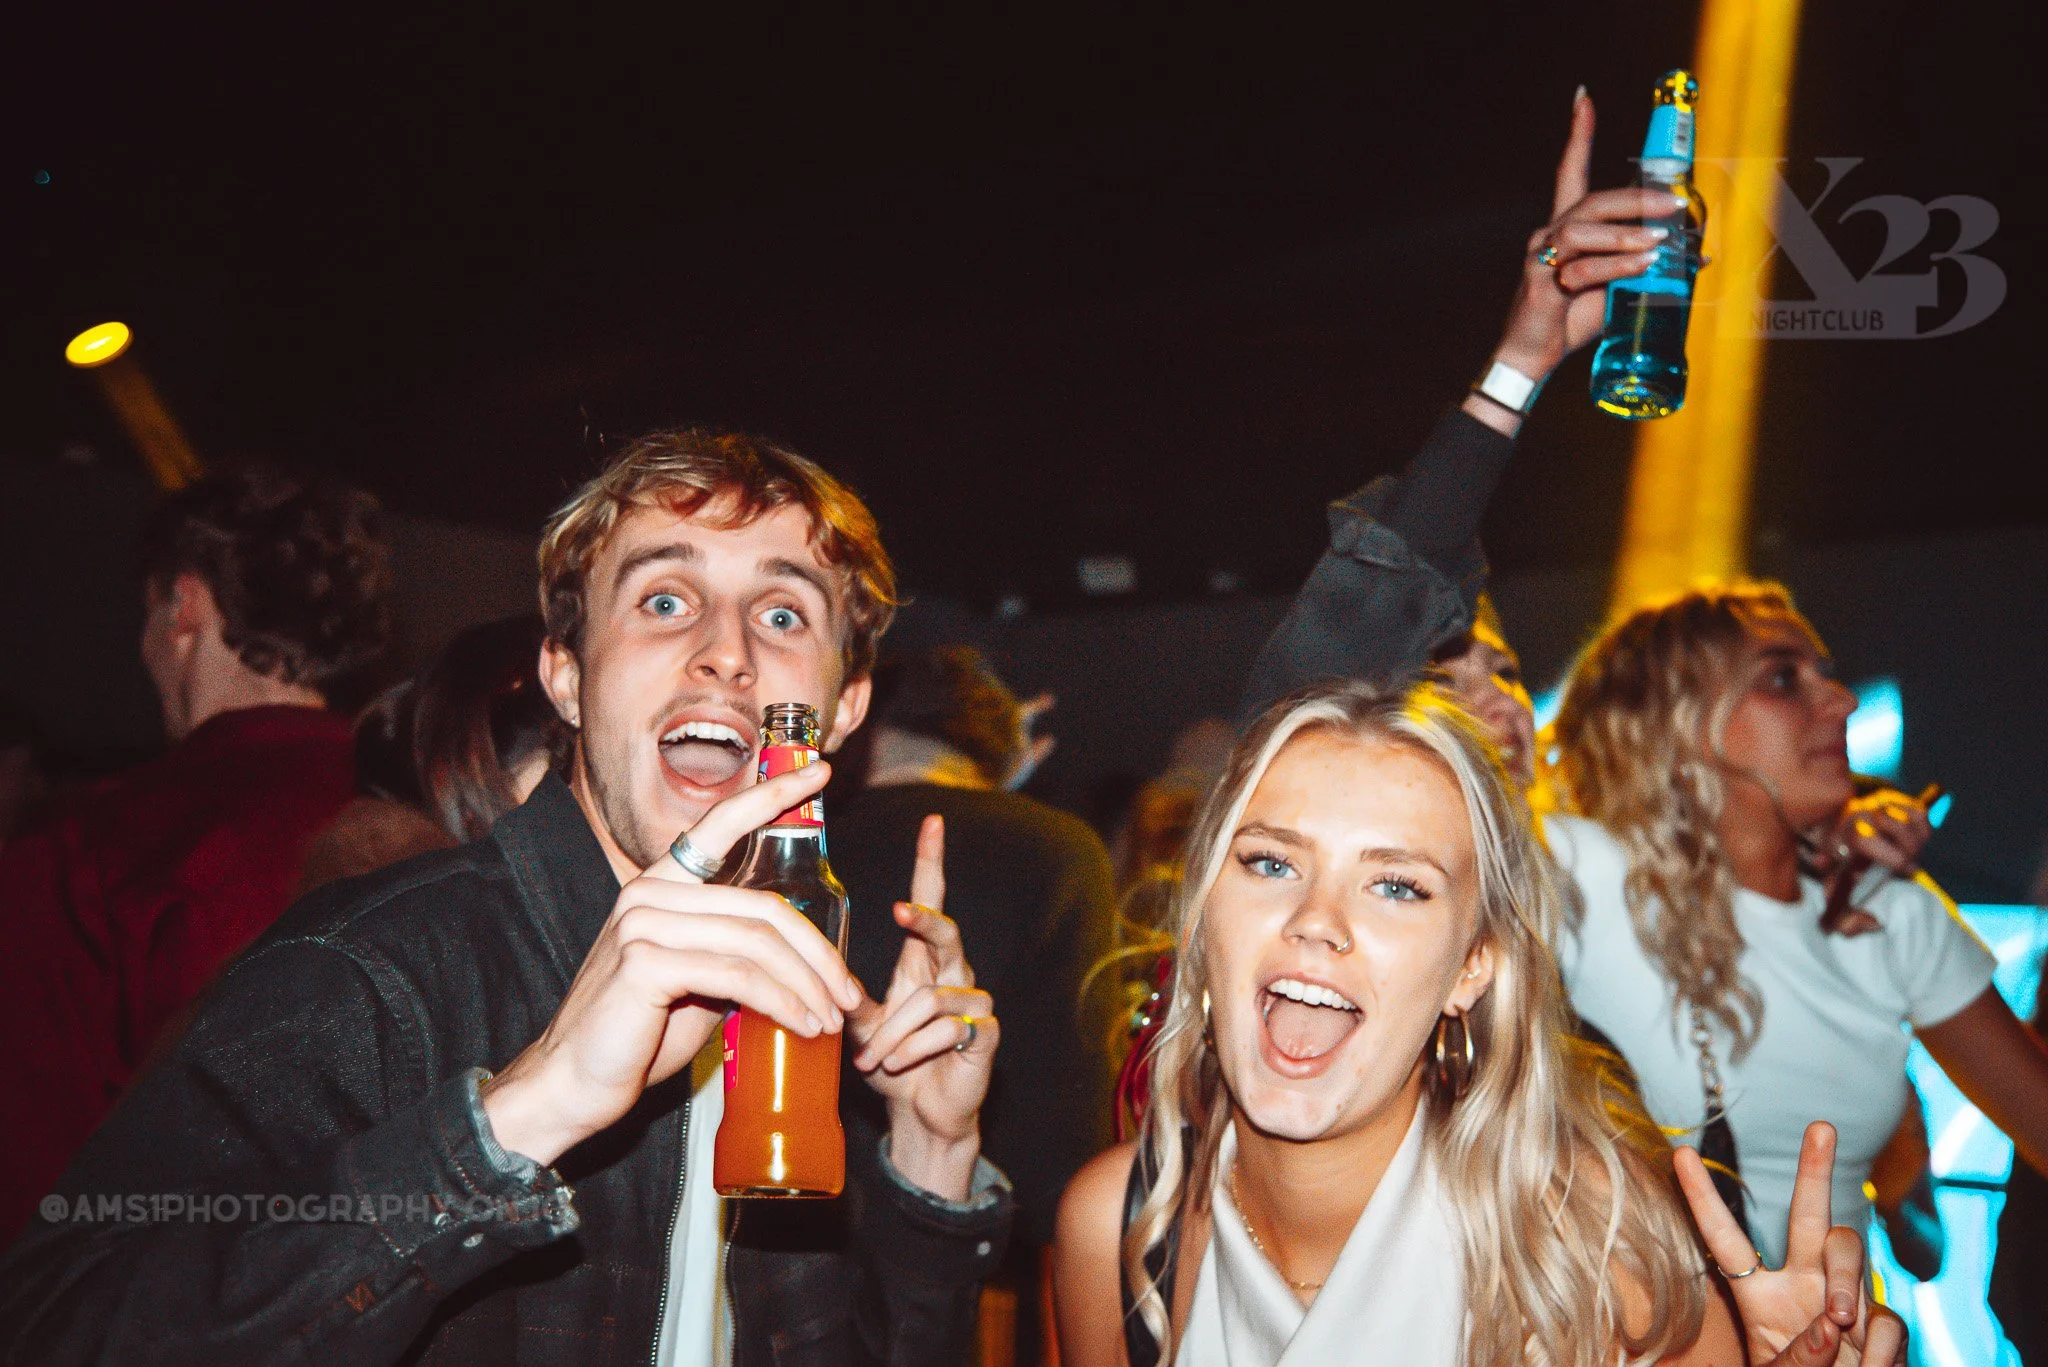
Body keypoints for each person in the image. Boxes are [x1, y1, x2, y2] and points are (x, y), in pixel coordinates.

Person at [0, 428, 1013, 1365]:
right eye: (664, 599)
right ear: (567, 678)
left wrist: (929, 1158)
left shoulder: (819, 1002)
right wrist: (517, 1115)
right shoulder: (373, 968)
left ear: (840, 709)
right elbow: (57, 1326)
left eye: (783, 611)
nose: (728, 650)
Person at [1053, 679, 1902, 1367]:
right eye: (1272, 862)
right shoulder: (1119, 1226)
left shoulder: (1580, 1238)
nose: (1317, 918)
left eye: (1397, 885)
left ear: (1473, 966)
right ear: (1204, 919)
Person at [1546, 581, 2048, 1266]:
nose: (1841, 701)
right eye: (1783, 678)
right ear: (1674, 720)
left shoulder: (1889, 910)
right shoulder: (1584, 877)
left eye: (1828, 676)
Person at [0, 466, 393, 1243]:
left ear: (183, 604)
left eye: (149, 611)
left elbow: (34, 1183)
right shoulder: (433, 809)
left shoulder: (87, 846)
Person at [829, 645, 1116, 1365]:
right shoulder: (1054, 848)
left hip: (771, 1263)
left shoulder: (783, 843)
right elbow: (1066, 1158)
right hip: (968, 1289)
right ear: (994, 751)